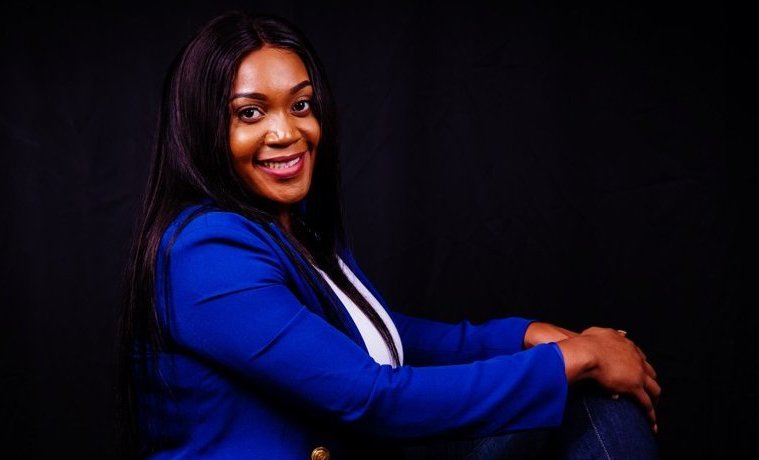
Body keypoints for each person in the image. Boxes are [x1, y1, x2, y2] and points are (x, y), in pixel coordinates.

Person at [118, 10, 661, 459]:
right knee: (584, 393)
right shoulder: (206, 251)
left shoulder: (290, 225)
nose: (286, 132)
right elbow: (372, 399)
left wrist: (522, 335)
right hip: (367, 434)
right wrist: (577, 358)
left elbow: (377, 333)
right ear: (203, 128)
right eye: (250, 112)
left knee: (590, 400)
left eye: (301, 105)